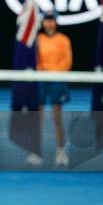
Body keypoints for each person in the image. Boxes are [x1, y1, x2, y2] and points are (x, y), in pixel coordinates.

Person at [34, 12, 73, 167]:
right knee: (38, 118)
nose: (49, 23)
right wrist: (41, 72)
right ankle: (36, 152)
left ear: (56, 22)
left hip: (57, 81)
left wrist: (54, 74)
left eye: (52, 20)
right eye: (47, 20)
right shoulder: (37, 40)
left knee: (57, 119)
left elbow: (67, 62)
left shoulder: (64, 40)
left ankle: (60, 153)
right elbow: (35, 61)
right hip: (41, 81)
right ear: (43, 22)